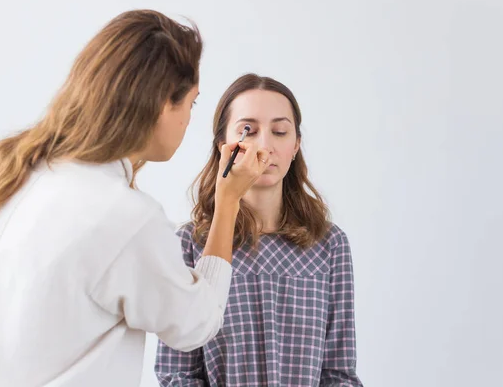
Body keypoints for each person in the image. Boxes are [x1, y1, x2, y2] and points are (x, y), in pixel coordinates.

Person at [0, 11, 269, 387]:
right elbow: (196, 322)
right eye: (191, 104)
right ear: (161, 105)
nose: (188, 119)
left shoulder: (7, 169)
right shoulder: (126, 218)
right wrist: (228, 199)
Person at [155, 73, 363, 386]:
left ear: (296, 146)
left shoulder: (329, 245)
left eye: (280, 131)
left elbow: (339, 374)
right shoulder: (190, 244)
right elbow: (177, 374)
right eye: (248, 131)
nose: (265, 145)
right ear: (223, 145)